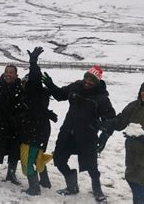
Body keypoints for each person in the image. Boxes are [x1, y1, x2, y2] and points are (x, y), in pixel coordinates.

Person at [42, 65, 115, 202]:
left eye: (91, 81)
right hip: (68, 132)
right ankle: (72, 186)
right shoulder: (76, 86)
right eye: (86, 78)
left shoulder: (101, 98)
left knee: (91, 166)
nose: (87, 82)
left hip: (87, 136)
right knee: (59, 159)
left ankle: (97, 190)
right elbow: (60, 95)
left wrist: (104, 136)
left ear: (97, 82)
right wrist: (49, 83)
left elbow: (111, 119)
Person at [104, 79, 144, 204]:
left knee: (137, 182)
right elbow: (121, 121)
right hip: (133, 151)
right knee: (131, 178)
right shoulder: (134, 106)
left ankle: (141, 201)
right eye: (143, 90)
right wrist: (109, 123)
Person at [19, 47, 56, 195]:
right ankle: (45, 181)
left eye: (25, 82)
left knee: (27, 163)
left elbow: (35, 77)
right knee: (37, 157)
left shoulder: (33, 91)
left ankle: (34, 189)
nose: (23, 84)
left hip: (33, 132)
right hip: (40, 131)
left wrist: (33, 62)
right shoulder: (38, 95)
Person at [0, 64, 26, 189]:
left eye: (11, 72)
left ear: (16, 75)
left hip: (14, 126)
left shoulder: (20, 89)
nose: (8, 74)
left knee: (14, 151)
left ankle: (11, 174)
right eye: (6, 72)